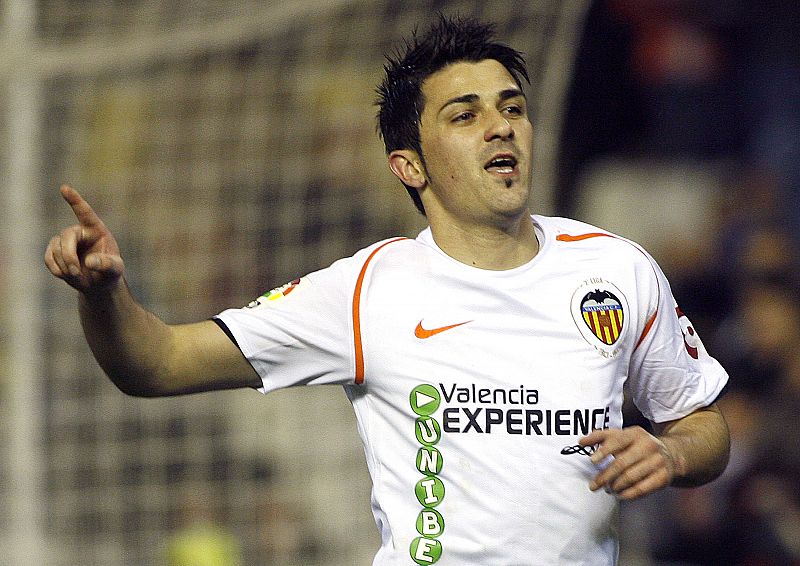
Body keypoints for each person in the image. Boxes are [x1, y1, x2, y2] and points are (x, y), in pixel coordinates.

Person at [44, 15, 730, 566]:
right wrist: (103, 294)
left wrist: (671, 452)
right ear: (409, 165)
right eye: (464, 115)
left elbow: (704, 426)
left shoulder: (616, 270)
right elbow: (156, 365)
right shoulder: (365, 291)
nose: (501, 126)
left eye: (512, 107)